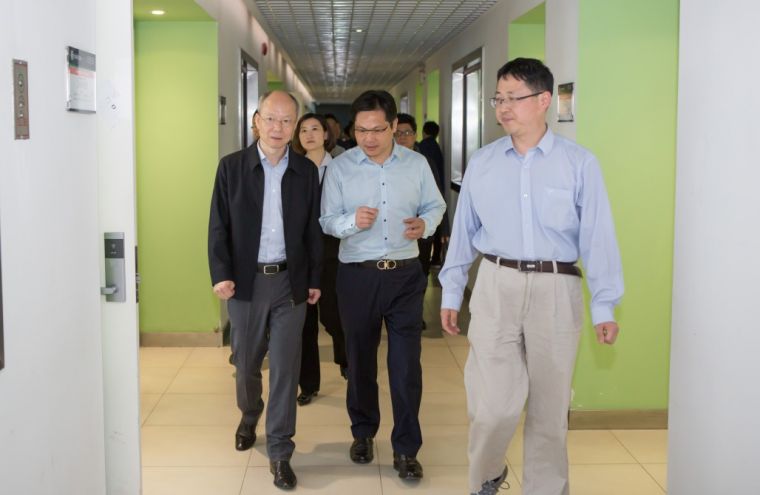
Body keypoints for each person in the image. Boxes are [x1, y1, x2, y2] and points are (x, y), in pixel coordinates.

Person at [438, 58, 624, 495]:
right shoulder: (483, 162)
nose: (503, 107)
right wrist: (450, 292)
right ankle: (487, 475)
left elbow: (598, 237)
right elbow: (462, 232)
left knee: (549, 411)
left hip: (557, 288)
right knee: (492, 407)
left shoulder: (579, 164)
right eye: (498, 98)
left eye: (513, 98)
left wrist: (604, 305)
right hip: (495, 284)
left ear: (543, 100)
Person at [320, 90, 446, 481]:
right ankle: (363, 432)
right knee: (359, 360)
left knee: (405, 366)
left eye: (377, 129)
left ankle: (406, 448)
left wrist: (426, 224)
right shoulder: (340, 168)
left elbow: (436, 205)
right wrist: (350, 222)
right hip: (357, 275)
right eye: (361, 130)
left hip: (405, 274)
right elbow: (327, 220)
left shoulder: (416, 164)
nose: (369, 138)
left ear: (393, 126)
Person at [208, 90, 323, 490]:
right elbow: (218, 226)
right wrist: (220, 273)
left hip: (289, 282)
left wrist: (313, 279)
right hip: (245, 282)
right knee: (245, 363)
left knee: (286, 368)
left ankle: (280, 450)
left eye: (287, 121)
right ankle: (249, 413)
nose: (278, 128)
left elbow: (313, 230)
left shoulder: (305, 171)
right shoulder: (232, 167)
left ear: (295, 126)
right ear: (257, 120)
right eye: (271, 119)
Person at [291, 113, 349, 406]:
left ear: (326, 134)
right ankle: (309, 383)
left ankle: (347, 361)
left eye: (315, 129)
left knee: (333, 315)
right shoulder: (292, 169)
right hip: (300, 254)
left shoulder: (339, 168)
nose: (309, 134)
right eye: (303, 130)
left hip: (330, 251)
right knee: (304, 323)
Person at [394, 113, 449, 329]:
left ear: (415, 135)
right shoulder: (384, 163)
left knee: (420, 274)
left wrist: (443, 228)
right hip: (396, 232)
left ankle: (415, 314)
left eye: (407, 133)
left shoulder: (424, 163)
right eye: (398, 133)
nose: (403, 137)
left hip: (421, 231)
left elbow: (438, 198)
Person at [417, 121, 447, 266]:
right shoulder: (436, 147)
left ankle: (434, 259)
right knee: (436, 229)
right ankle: (436, 258)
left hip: (424, 208)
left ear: (423, 132)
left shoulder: (423, 148)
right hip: (438, 192)